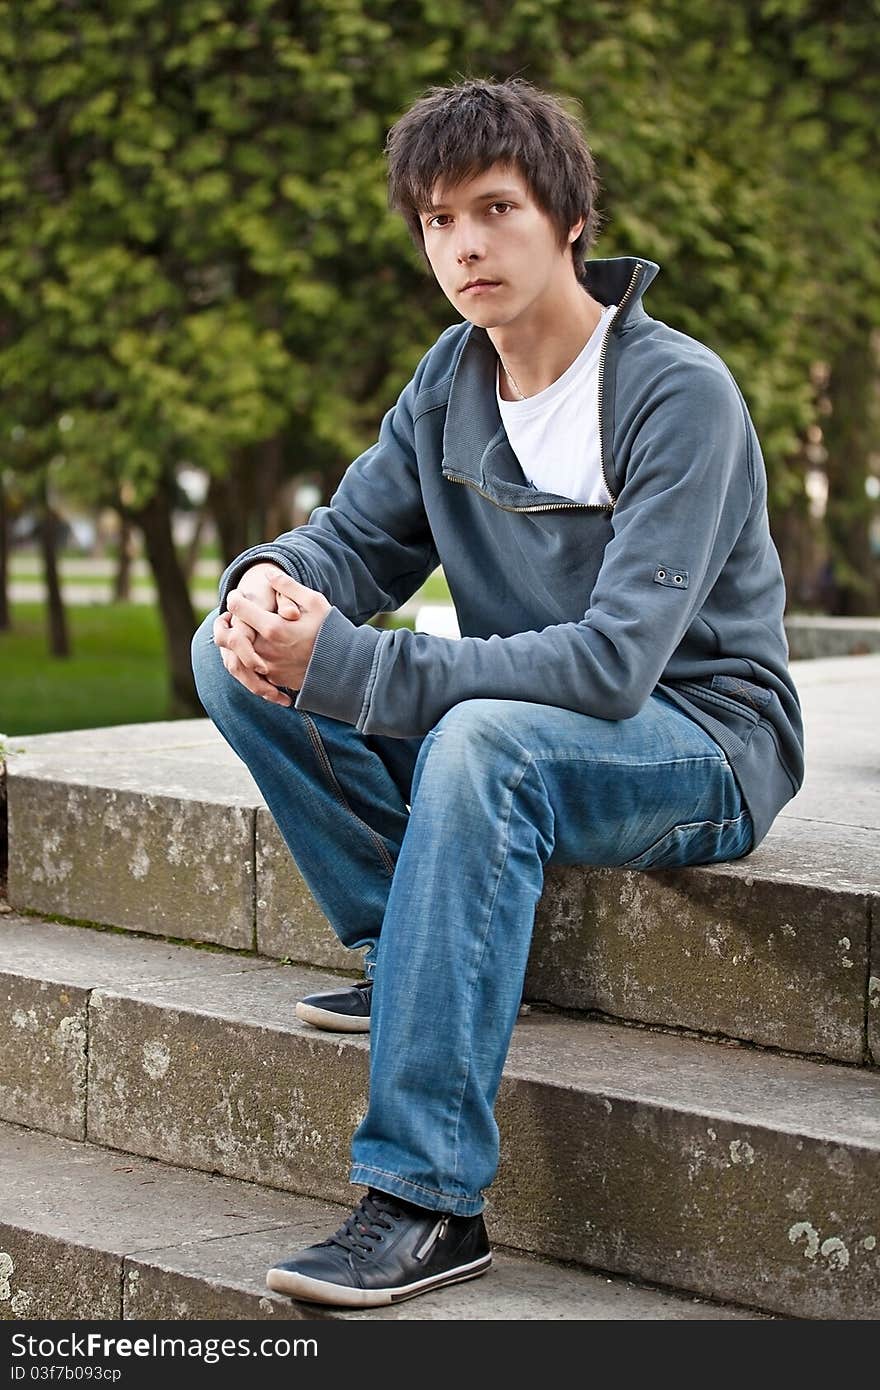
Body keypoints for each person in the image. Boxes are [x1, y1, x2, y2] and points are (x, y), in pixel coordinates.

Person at [191, 76, 804, 1309]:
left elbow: (612, 663)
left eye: (493, 208)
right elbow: (350, 542)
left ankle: (425, 1202)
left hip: (699, 740)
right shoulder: (451, 377)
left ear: (568, 216)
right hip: (526, 731)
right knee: (228, 659)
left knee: (479, 742)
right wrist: (261, 585)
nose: (463, 245)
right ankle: (413, 945)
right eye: (435, 220)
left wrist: (355, 663)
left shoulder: (675, 391)